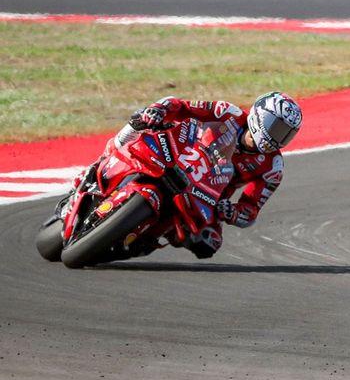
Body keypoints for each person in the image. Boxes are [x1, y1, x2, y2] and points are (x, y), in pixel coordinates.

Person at [69, 92, 302, 259]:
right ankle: (103, 160)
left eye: (286, 134)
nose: (278, 137)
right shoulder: (227, 112)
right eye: (276, 126)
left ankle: (140, 238)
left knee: (209, 243)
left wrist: (231, 212)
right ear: (259, 116)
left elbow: (250, 211)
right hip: (177, 155)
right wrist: (159, 111)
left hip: (206, 194)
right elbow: (181, 106)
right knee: (140, 122)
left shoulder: (273, 167)